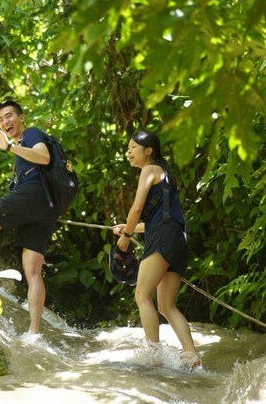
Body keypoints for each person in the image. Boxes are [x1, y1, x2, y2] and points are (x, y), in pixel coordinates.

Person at [0, 99, 56, 335]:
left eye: (8, 116)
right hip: (45, 207)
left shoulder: (32, 134)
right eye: (0, 120)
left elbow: (43, 157)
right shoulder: (21, 152)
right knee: (33, 271)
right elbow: (21, 190)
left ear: (21, 117)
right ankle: (34, 331)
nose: (5, 122)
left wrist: (8, 147)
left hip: (33, 199)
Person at [112, 129, 200, 368]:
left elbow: (137, 208)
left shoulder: (149, 170)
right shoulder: (165, 175)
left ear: (148, 151)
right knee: (166, 305)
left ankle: (154, 357)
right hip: (177, 240)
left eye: (133, 147)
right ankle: (192, 357)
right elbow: (160, 219)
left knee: (141, 295)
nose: (128, 151)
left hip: (162, 239)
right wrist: (128, 227)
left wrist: (126, 237)